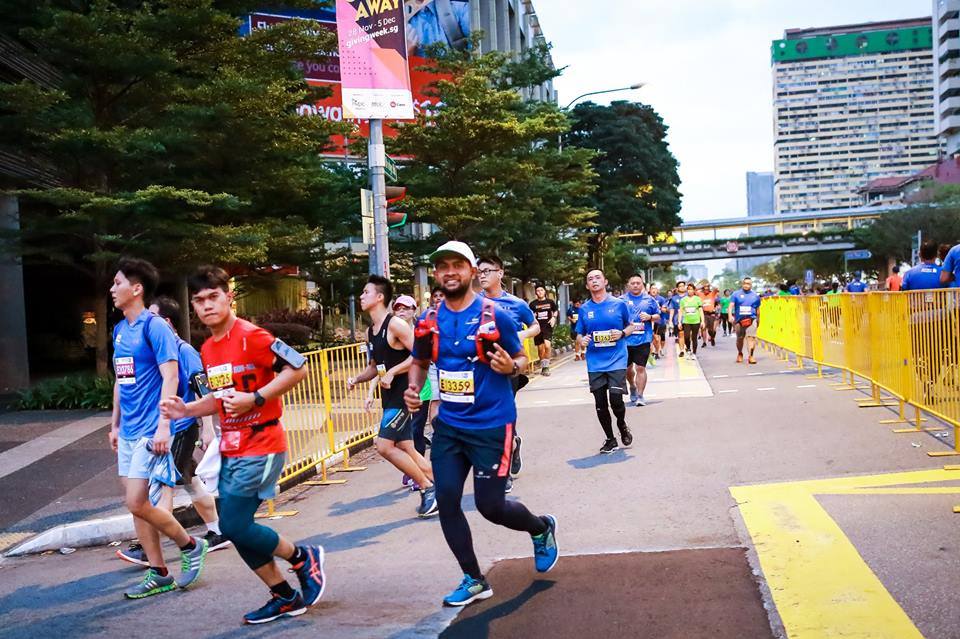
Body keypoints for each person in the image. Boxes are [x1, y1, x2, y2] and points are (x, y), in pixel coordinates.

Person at [160, 265, 325, 624]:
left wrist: (257, 398)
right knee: (239, 530)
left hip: (263, 442)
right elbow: (218, 399)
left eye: (213, 297)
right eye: (199, 301)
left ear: (229, 296)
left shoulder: (253, 336)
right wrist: (186, 408)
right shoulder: (208, 347)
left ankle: (302, 557)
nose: (206, 306)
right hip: (232, 448)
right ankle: (284, 596)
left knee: (233, 525)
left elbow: (298, 368)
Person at [404, 241, 558, 608]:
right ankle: (473, 578)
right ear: (436, 275)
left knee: (491, 507)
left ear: (473, 271)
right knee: (446, 499)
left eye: (458, 265)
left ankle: (541, 528)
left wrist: (513, 367)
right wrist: (413, 389)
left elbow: (522, 357)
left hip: (491, 425)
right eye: (443, 266)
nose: (450, 272)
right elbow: (419, 360)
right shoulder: (429, 320)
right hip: (450, 426)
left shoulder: (495, 315)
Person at [109, 258, 210, 599]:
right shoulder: (120, 330)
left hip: (152, 430)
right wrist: (114, 424)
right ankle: (159, 571)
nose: (112, 288)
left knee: (137, 501)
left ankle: (190, 544)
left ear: (135, 289)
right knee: (134, 505)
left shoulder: (155, 327)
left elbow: (170, 376)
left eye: (117, 282)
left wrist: (164, 426)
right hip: (128, 432)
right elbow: (121, 382)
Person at [117, 296, 230, 567]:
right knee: (191, 481)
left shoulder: (184, 351)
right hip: (170, 428)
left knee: (160, 486)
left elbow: (205, 390)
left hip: (179, 429)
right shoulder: (154, 349)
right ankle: (217, 531)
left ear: (166, 322)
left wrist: (208, 430)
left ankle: (149, 548)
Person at [348, 276, 438, 518]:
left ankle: (428, 489)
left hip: (403, 394)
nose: (361, 296)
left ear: (379, 297)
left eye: (366, 292)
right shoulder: (370, 331)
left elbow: (419, 355)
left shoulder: (396, 324)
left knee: (384, 446)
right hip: (388, 398)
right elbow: (374, 366)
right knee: (406, 447)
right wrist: (357, 379)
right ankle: (442, 483)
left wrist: (394, 372)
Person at [477, 254, 541, 493]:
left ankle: (502, 472)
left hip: (509, 368)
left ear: (500, 273)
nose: (482, 275)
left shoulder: (516, 304)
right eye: (479, 271)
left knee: (502, 416)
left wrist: (522, 335)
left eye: (487, 270)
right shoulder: (473, 303)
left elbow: (534, 325)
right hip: (481, 371)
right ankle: (512, 444)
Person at [576, 269, 635, 453]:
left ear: (605, 282)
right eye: (590, 279)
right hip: (595, 362)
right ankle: (610, 439)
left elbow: (632, 325)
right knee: (600, 404)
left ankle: (622, 424)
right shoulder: (584, 309)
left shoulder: (619, 304)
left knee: (616, 399)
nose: (594, 281)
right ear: (587, 285)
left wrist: (623, 333)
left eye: (597, 278)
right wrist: (581, 340)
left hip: (617, 359)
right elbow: (579, 333)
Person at [390, 295, 432, 490]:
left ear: (414, 310)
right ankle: (411, 468)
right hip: (397, 391)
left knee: (416, 431)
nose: (402, 311)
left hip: (419, 389)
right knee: (401, 436)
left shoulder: (419, 332)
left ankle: (421, 472)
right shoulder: (389, 333)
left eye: (407, 308)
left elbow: (420, 359)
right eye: (398, 307)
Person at [621, 274, 660, 406]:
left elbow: (658, 316)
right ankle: (632, 385)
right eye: (633, 283)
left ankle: (640, 396)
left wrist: (650, 317)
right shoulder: (621, 300)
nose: (636, 285)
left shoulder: (649, 300)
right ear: (628, 285)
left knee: (641, 368)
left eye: (638, 283)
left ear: (642, 284)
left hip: (643, 339)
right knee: (627, 369)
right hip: (626, 340)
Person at [729, 277, 762, 364]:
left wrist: (759, 319)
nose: (746, 285)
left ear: (751, 285)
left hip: (751, 319)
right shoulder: (735, 294)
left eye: (748, 284)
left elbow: (758, 309)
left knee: (751, 337)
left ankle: (751, 356)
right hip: (739, 320)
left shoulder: (755, 296)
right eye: (745, 283)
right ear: (742, 284)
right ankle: (740, 353)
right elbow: (731, 306)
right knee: (740, 338)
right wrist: (730, 316)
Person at [529, 285, 559, 376]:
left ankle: (546, 367)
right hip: (537, 327)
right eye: (538, 291)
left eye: (541, 290)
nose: (540, 292)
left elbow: (555, 310)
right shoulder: (533, 304)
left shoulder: (550, 302)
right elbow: (529, 314)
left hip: (547, 326)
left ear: (544, 291)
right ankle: (543, 366)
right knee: (540, 349)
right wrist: (532, 317)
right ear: (536, 293)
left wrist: (554, 317)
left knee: (547, 345)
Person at [679, 283, 704, 359]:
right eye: (688, 289)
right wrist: (679, 322)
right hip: (686, 321)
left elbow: (700, 310)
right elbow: (680, 311)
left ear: (694, 290)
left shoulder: (698, 299)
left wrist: (702, 321)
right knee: (686, 337)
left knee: (694, 337)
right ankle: (688, 349)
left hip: (696, 321)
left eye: (691, 289)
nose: (690, 291)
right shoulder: (683, 300)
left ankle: (694, 353)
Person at [649, 284, 667, 359]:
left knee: (658, 338)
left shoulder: (661, 299)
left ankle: (657, 351)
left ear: (658, 290)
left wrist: (658, 307)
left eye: (655, 288)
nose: (654, 290)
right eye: (652, 288)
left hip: (659, 321)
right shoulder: (646, 298)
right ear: (649, 290)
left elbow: (665, 310)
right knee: (653, 337)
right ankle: (653, 352)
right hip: (648, 321)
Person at [668, 281, 686, 355]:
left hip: (690, 318)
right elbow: (672, 310)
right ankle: (682, 350)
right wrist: (670, 321)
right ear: (677, 288)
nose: (682, 287)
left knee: (689, 335)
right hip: (678, 320)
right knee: (681, 334)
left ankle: (688, 347)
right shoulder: (674, 298)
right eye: (680, 286)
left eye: (683, 286)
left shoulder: (689, 296)